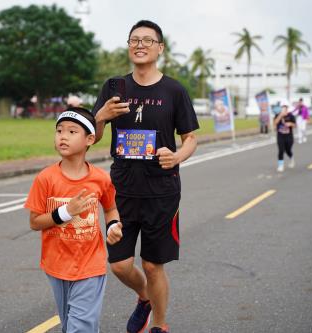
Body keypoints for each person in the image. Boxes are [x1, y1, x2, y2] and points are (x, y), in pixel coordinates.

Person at [93, 20, 199, 333]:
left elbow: (191, 136)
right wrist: (100, 117)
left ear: (159, 48)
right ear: (128, 46)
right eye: (134, 40)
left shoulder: (174, 90)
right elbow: (94, 136)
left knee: (153, 265)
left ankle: (160, 326)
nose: (140, 45)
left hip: (162, 190)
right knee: (120, 265)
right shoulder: (115, 87)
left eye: (147, 40)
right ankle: (144, 298)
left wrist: (177, 155)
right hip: (122, 189)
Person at [25, 107, 123, 333]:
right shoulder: (46, 178)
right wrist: (66, 212)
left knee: (80, 328)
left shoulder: (100, 178)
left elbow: (111, 208)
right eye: (59, 131)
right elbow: (34, 222)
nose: (63, 136)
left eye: (71, 131)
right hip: (56, 264)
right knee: (69, 323)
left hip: (91, 264)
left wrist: (113, 226)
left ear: (90, 139)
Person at [274, 101, 296, 172]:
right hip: (280, 136)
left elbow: (295, 125)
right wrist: (280, 115)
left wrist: (290, 124)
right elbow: (275, 123)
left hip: (289, 136)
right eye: (282, 107)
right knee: (281, 150)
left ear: (287, 108)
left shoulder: (291, 115)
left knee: (288, 150)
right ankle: (280, 165)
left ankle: (291, 158)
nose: (284, 109)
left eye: (285, 107)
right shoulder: (278, 115)